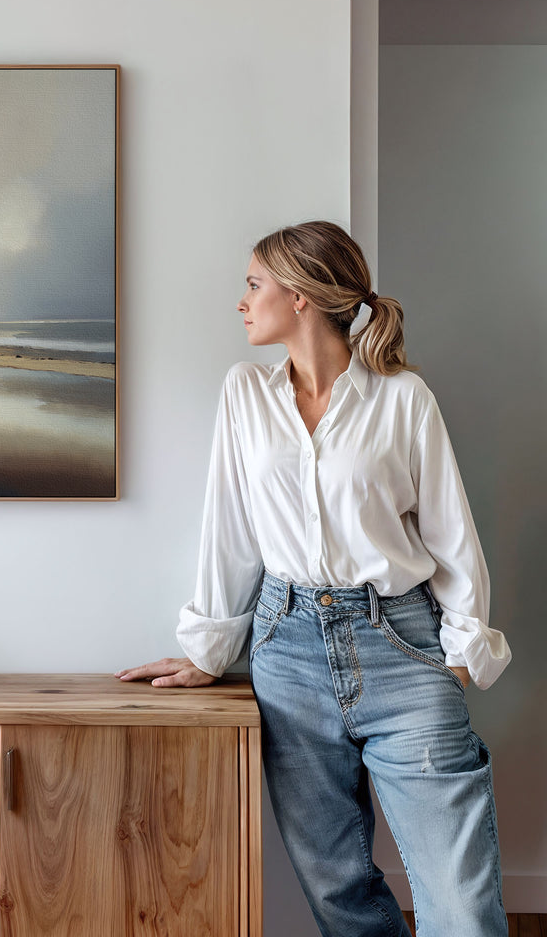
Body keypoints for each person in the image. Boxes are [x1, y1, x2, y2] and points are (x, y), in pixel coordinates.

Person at [117, 221, 511, 937]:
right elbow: (228, 529)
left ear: (300, 297)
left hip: (402, 642)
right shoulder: (245, 394)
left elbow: (452, 535)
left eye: (253, 284)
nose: (242, 301)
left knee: (460, 902)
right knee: (338, 892)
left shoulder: (403, 399)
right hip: (286, 648)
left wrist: (458, 654)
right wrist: (210, 650)